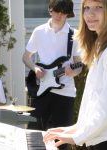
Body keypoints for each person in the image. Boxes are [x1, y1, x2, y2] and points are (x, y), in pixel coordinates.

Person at [43, 0, 107, 150]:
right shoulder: (105, 47)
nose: (90, 14)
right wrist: (74, 129)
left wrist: (77, 136)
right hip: (106, 138)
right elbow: (96, 102)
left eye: (98, 7)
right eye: (87, 8)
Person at [22, 0, 82, 133]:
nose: (59, 15)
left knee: (61, 139)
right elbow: (26, 57)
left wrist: (72, 71)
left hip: (65, 92)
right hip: (42, 91)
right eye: (56, 11)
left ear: (69, 14)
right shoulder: (39, 31)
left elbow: (79, 65)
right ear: (50, 10)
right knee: (34, 133)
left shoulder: (75, 35)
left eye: (63, 12)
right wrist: (35, 68)